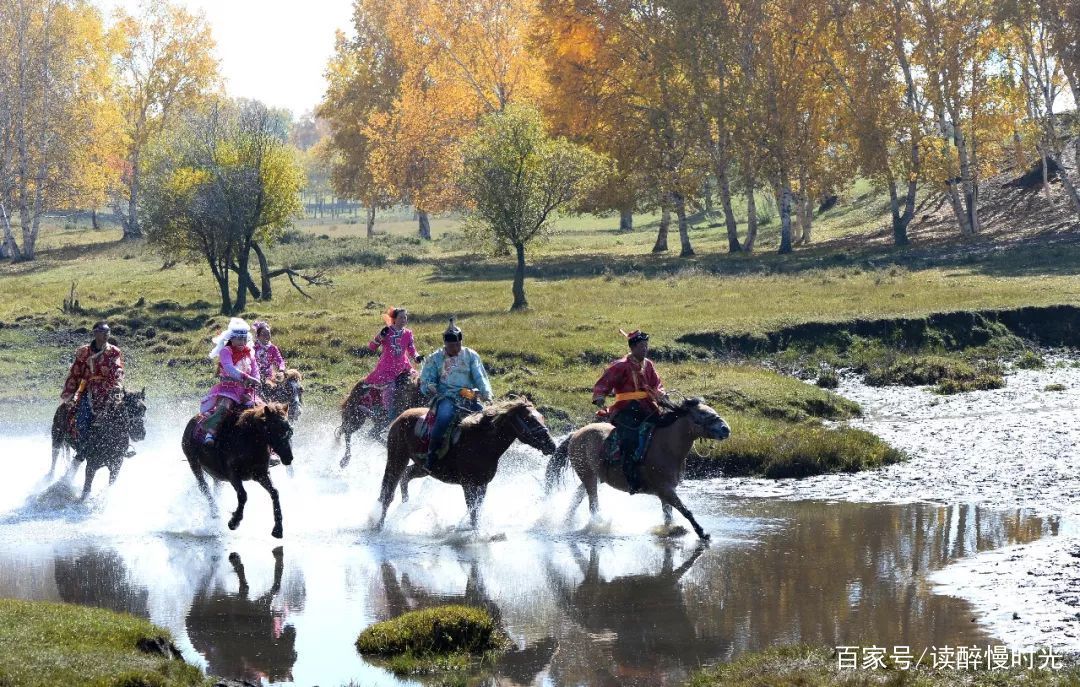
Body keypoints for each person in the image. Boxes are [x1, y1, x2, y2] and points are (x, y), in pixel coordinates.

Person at [591, 329, 667, 493]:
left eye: (646, 346)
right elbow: (604, 382)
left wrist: (661, 395)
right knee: (630, 440)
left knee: (665, 429)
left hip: (647, 407)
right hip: (625, 409)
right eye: (641, 346)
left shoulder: (649, 365)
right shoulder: (620, 366)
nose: (645, 349)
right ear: (633, 348)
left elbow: (657, 385)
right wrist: (600, 396)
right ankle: (631, 478)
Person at [418, 317, 493, 470]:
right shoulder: (434, 358)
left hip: (468, 395)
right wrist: (430, 387)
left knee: (487, 419)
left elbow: (480, 376)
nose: (456, 348)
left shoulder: (471, 355)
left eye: (458, 344)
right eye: (452, 345)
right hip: (446, 396)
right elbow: (425, 380)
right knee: (444, 418)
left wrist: (486, 394)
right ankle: (432, 456)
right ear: (445, 344)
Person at [61, 321, 125, 453]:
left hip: (109, 389)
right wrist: (69, 394)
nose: (106, 335)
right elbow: (75, 372)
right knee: (81, 419)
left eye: (108, 332)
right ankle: (83, 447)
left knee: (123, 415)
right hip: (88, 390)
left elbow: (118, 368)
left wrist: (118, 382)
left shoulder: (114, 352)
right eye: (103, 332)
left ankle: (123, 447)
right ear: (95, 333)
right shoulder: (83, 352)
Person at [199, 318, 262, 446]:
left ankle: (265, 445)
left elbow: (255, 370)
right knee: (224, 407)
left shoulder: (249, 353)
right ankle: (210, 433)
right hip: (227, 389)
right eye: (239, 338)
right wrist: (247, 378)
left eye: (244, 339)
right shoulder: (226, 351)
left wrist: (257, 380)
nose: (242, 342)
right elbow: (229, 368)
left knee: (261, 411)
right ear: (231, 339)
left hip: (245, 391)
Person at [363, 307, 419, 417]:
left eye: (405, 317)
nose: (404, 320)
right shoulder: (386, 331)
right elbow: (372, 347)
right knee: (391, 388)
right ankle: (387, 414)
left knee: (416, 384)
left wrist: (417, 357)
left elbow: (412, 349)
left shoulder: (408, 333)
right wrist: (380, 337)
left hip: (404, 366)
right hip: (386, 368)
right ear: (394, 319)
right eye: (401, 317)